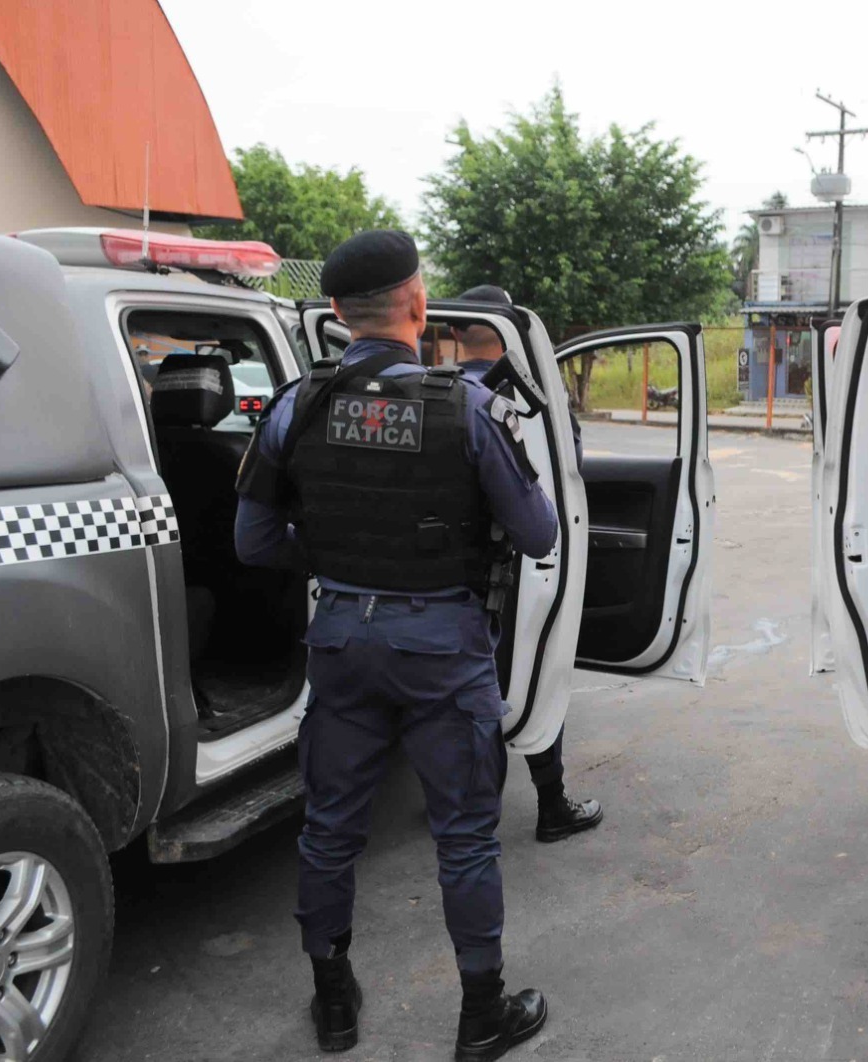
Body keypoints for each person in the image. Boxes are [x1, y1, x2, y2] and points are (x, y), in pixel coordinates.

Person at [234, 230, 554, 1060]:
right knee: (466, 835)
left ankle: (333, 1004)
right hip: (443, 647)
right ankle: (481, 1016)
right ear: (417, 303)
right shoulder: (468, 409)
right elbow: (540, 532)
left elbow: (253, 541)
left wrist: (335, 558)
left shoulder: (293, 406)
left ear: (337, 313)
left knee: (330, 828)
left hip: (341, 637)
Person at [451, 285, 602, 843]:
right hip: (524, 563)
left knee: (469, 690)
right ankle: (550, 802)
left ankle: (466, 795)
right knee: (543, 667)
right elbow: (569, 479)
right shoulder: (540, 401)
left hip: (449, 576)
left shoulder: (433, 392)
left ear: (453, 334)